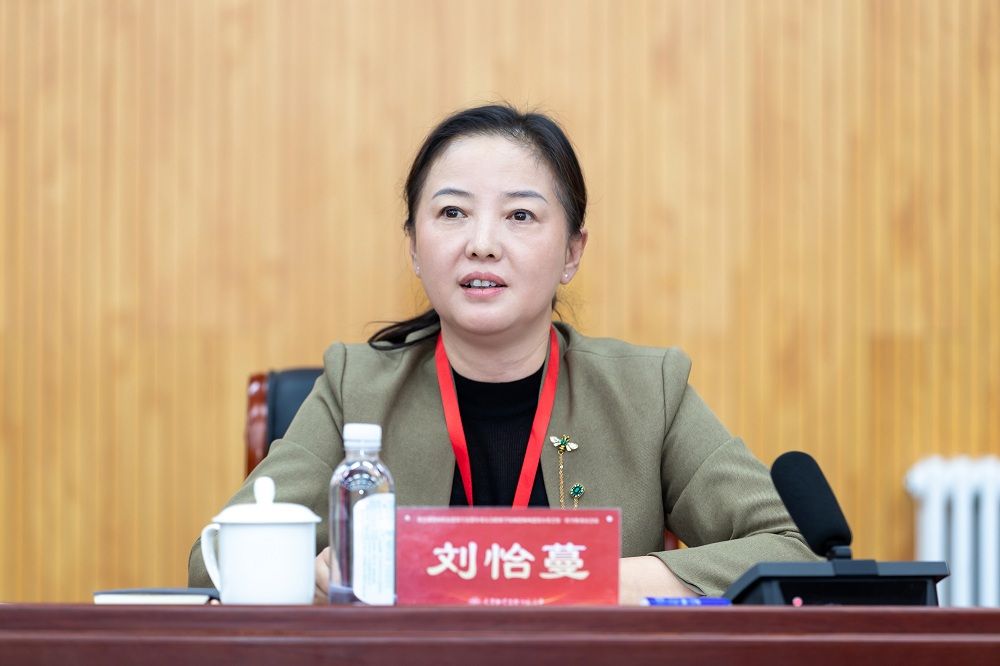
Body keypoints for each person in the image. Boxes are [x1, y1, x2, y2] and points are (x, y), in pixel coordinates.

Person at [188, 104, 817, 604]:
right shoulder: (356, 388)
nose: (482, 243)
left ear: (572, 252)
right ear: (414, 248)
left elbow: (795, 551)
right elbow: (210, 563)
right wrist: (313, 575)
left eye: (519, 215)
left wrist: (597, 581)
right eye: (452, 212)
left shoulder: (649, 392)